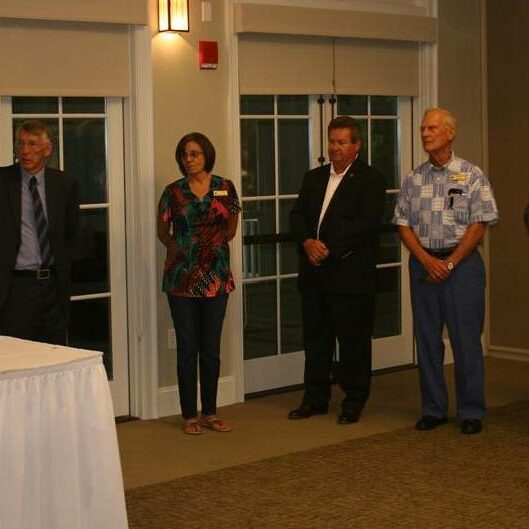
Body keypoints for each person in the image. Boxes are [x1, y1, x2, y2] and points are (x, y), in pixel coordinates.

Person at [393, 107, 498, 435]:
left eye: (432, 128)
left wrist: (450, 262)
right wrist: (426, 260)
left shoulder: (472, 174)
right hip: (424, 266)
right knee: (427, 341)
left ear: (450, 133)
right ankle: (433, 409)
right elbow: (402, 223)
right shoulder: (414, 178)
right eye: (423, 128)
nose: (425, 133)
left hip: (462, 267)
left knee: (466, 341)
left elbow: (480, 224)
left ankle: (470, 411)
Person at [289, 116, 385, 424]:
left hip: (349, 275)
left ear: (356, 145)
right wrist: (306, 241)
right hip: (314, 275)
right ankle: (315, 398)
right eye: (332, 141)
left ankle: (354, 399)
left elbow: (366, 224)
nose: (335, 148)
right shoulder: (314, 177)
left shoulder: (371, 179)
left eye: (342, 142)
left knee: (353, 341)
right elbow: (297, 215)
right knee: (316, 340)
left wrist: (326, 247)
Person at [157, 132, 240, 435]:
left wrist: (211, 248)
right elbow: (162, 231)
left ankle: (211, 413)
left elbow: (231, 226)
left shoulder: (224, 188)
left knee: (211, 348)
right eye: (184, 155)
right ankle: (189, 415)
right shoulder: (173, 192)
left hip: (216, 277)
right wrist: (180, 248)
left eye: (194, 154)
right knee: (187, 348)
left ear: (207, 155)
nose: (188, 160)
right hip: (182, 278)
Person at [0, 120, 80, 345]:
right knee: (19, 356)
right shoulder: (3, 182)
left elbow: (71, 232)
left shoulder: (65, 184)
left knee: (55, 355)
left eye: (32, 144)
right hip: (17, 287)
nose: (25, 151)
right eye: (21, 144)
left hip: (53, 286)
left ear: (47, 149)